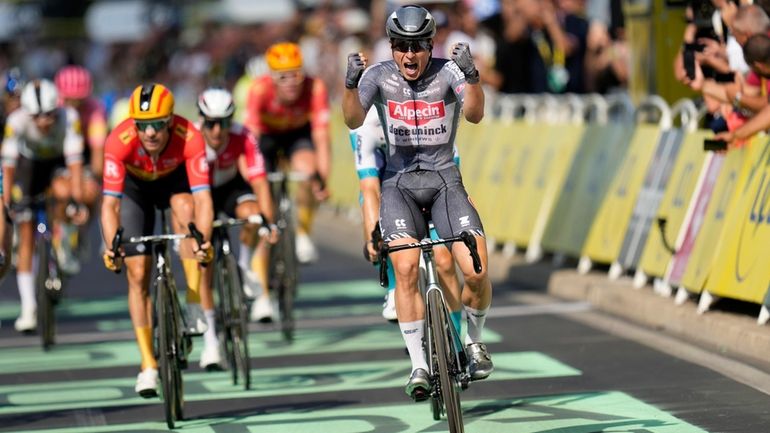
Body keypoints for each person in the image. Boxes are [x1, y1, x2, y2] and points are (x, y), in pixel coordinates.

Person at [342, 5, 494, 401]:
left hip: (445, 180)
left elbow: (475, 115)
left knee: (475, 269)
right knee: (406, 268)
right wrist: (349, 85)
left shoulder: (448, 72)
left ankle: (473, 341)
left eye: (417, 46)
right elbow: (353, 120)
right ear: (391, 46)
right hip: (399, 184)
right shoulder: (378, 75)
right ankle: (419, 364)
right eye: (400, 46)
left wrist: (472, 76)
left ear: (430, 45)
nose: (409, 55)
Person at [100, 83, 214, 397]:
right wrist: (112, 246)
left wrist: (203, 240)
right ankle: (148, 364)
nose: (150, 133)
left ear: (171, 122)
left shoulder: (190, 136)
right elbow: (109, 205)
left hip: (174, 183)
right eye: (142, 126)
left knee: (186, 211)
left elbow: (203, 200)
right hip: (137, 191)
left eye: (157, 125)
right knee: (138, 275)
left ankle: (193, 304)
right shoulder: (118, 141)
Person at [352, 107, 464, 325]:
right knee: (373, 216)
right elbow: (370, 189)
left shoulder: (430, 117)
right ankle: (394, 287)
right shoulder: (367, 126)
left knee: (444, 260)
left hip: (433, 176)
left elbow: (452, 183)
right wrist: (374, 238)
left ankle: (457, 338)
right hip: (387, 177)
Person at [195, 87, 277, 367]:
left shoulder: (242, 136)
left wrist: (268, 221)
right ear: (201, 120)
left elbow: (259, 181)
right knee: (202, 264)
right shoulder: (191, 140)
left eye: (224, 123)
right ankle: (211, 344)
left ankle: (243, 266)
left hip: (230, 187)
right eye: (211, 123)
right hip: (199, 191)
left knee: (252, 216)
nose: (217, 130)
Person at [2, 79, 88, 332]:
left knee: (65, 193)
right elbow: (7, 168)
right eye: (37, 117)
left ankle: (65, 240)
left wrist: (76, 202)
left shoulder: (69, 117)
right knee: (26, 232)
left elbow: (75, 166)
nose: (44, 122)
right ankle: (29, 306)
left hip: (59, 162)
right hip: (29, 167)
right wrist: (8, 203)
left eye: (49, 115)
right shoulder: (16, 122)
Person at [244, 41, 331, 265]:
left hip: (297, 134)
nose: (291, 82)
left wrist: (322, 180)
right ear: (271, 77)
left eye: (296, 75)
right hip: (267, 137)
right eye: (283, 77)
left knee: (307, 171)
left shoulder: (315, 87)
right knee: (264, 196)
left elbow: (322, 138)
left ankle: (303, 233)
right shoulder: (259, 90)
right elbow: (250, 139)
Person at [54, 65, 108, 271]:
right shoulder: (55, 108)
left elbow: (97, 152)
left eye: (80, 100)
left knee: (92, 191)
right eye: (69, 100)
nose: (74, 106)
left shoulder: (96, 110)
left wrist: (92, 179)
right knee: (58, 189)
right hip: (58, 153)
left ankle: (82, 231)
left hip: (84, 152)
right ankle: (57, 230)